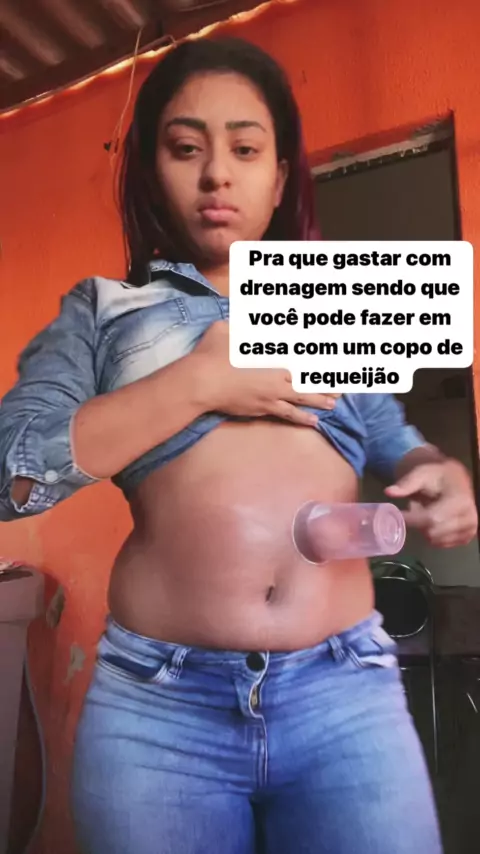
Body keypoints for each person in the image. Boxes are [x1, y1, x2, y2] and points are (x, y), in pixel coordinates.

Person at [0, 37, 476, 854]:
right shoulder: (101, 309)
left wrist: (434, 470)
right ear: (151, 170)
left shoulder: (331, 299)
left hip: (344, 693)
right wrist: (196, 382)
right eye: (186, 148)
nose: (217, 173)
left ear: (280, 176)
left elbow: (392, 438)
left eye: (246, 150)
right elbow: (13, 472)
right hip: (158, 708)